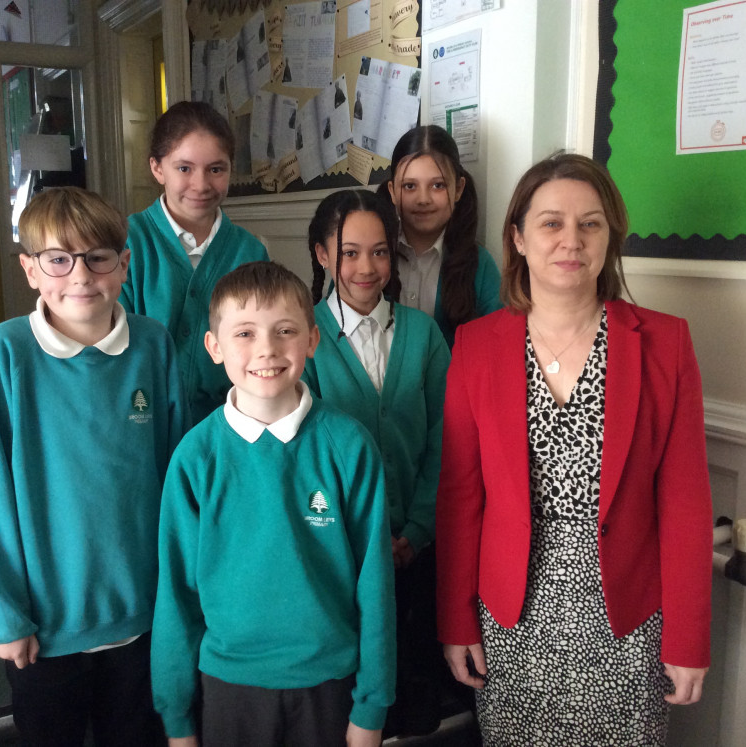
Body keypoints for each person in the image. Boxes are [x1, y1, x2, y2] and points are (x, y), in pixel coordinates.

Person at [436, 153, 712, 745]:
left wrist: (689, 639)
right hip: (513, 618)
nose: (571, 240)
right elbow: (462, 497)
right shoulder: (476, 347)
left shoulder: (664, 343)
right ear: (518, 236)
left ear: (610, 236)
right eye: (551, 222)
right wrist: (455, 619)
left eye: (590, 223)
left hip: (626, 618)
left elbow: (685, 504)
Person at [0, 187, 190, 745]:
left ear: (124, 264)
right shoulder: (5, 352)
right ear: (31, 271)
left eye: (98, 257)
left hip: (142, 618)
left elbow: (177, 476)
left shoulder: (153, 347)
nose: (80, 275)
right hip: (45, 628)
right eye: (58, 259)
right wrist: (1, 613)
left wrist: (181, 595)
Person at [151, 261, 396, 747]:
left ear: (312, 340)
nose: (266, 349)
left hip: (329, 683)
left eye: (285, 330)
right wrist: (176, 717)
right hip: (230, 686)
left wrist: (372, 705)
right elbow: (176, 594)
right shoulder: (196, 458)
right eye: (244, 332)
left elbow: (376, 585)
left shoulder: (348, 446)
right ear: (214, 347)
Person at [303, 189, 450, 736]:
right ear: (322, 254)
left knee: (412, 702)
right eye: (350, 253)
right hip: (339, 559)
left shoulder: (424, 334)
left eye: (381, 252)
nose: (368, 268)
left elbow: (445, 440)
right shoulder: (306, 339)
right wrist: (361, 544)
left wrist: (415, 530)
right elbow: (307, 459)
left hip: (417, 552)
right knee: (351, 705)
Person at [121, 100, 268, 423]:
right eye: (184, 168)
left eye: (216, 169)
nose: (201, 185)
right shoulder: (127, 243)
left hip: (229, 428)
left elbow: (260, 349)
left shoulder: (250, 252)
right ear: (157, 168)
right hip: (143, 423)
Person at [378, 124, 502, 348]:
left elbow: (497, 346)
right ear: (392, 191)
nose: (423, 199)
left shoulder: (480, 266)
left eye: (437, 185)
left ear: (458, 189)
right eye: (409, 186)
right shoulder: (366, 257)